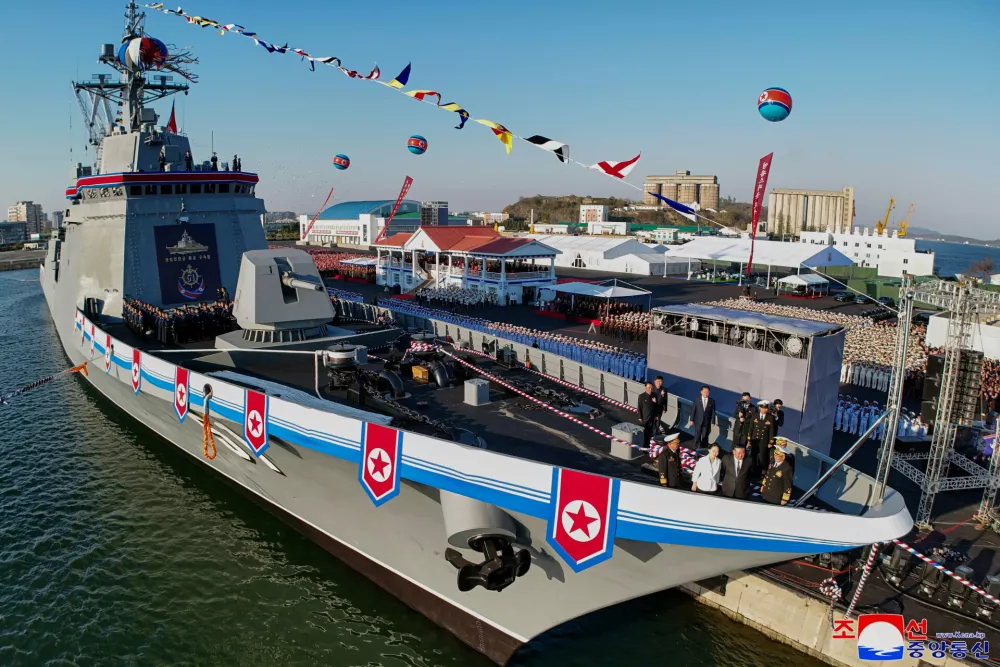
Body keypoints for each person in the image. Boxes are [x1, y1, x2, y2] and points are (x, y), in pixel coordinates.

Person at [749, 400, 777, 473]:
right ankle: (753, 470)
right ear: (760, 408)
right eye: (764, 408)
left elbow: (771, 431)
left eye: (766, 408)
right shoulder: (755, 416)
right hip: (755, 439)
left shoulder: (770, 417)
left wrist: (771, 442)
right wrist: (749, 440)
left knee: (762, 457)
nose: (766, 410)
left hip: (764, 440)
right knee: (753, 456)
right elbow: (751, 428)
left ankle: (762, 470)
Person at [637, 382, 659, 446]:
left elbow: (656, 406)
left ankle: (651, 445)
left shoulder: (654, 395)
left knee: (652, 432)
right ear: (645, 388)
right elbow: (639, 407)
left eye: (651, 388)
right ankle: (645, 446)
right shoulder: (641, 396)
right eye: (649, 388)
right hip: (645, 418)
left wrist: (657, 415)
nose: (650, 389)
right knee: (645, 433)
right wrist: (640, 417)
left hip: (653, 418)